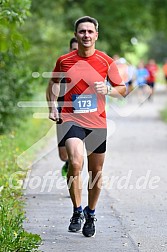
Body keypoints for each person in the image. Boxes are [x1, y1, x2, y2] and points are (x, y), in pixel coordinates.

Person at [46, 16, 126, 237]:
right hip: (71, 118)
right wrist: (52, 107)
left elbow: (123, 89)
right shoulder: (64, 60)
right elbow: (53, 82)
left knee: (96, 172)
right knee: (75, 161)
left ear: (96, 35)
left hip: (97, 121)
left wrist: (108, 90)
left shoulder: (106, 62)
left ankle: (91, 213)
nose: (86, 35)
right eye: (82, 32)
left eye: (90, 32)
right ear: (76, 34)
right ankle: (77, 210)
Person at [56, 37, 78, 178]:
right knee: (63, 154)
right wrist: (52, 106)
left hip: (83, 113)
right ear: (70, 49)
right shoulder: (63, 64)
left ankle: (75, 170)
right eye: (75, 49)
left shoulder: (91, 65)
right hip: (63, 110)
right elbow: (52, 85)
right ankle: (68, 163)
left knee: (77, 153)